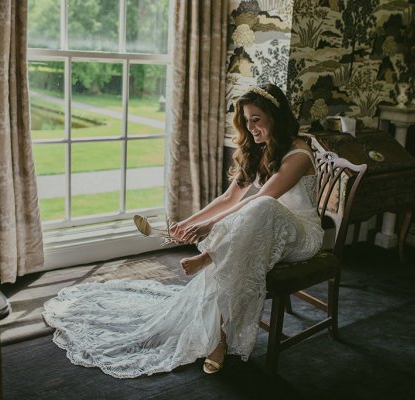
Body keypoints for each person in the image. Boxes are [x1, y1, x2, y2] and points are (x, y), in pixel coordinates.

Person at [42, 83, 324, 378]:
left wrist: (209, 228)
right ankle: (220, 338)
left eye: (257, 119)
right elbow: (230, 198)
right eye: (246, 120)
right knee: (242, 243)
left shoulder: (299, 154)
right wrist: (189, 222)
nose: (251, 128)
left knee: (261, 208)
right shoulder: (259, 150)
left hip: (301, 237)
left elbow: (262, 198)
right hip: (260, 234)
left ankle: (211, 257)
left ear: (275, 118)